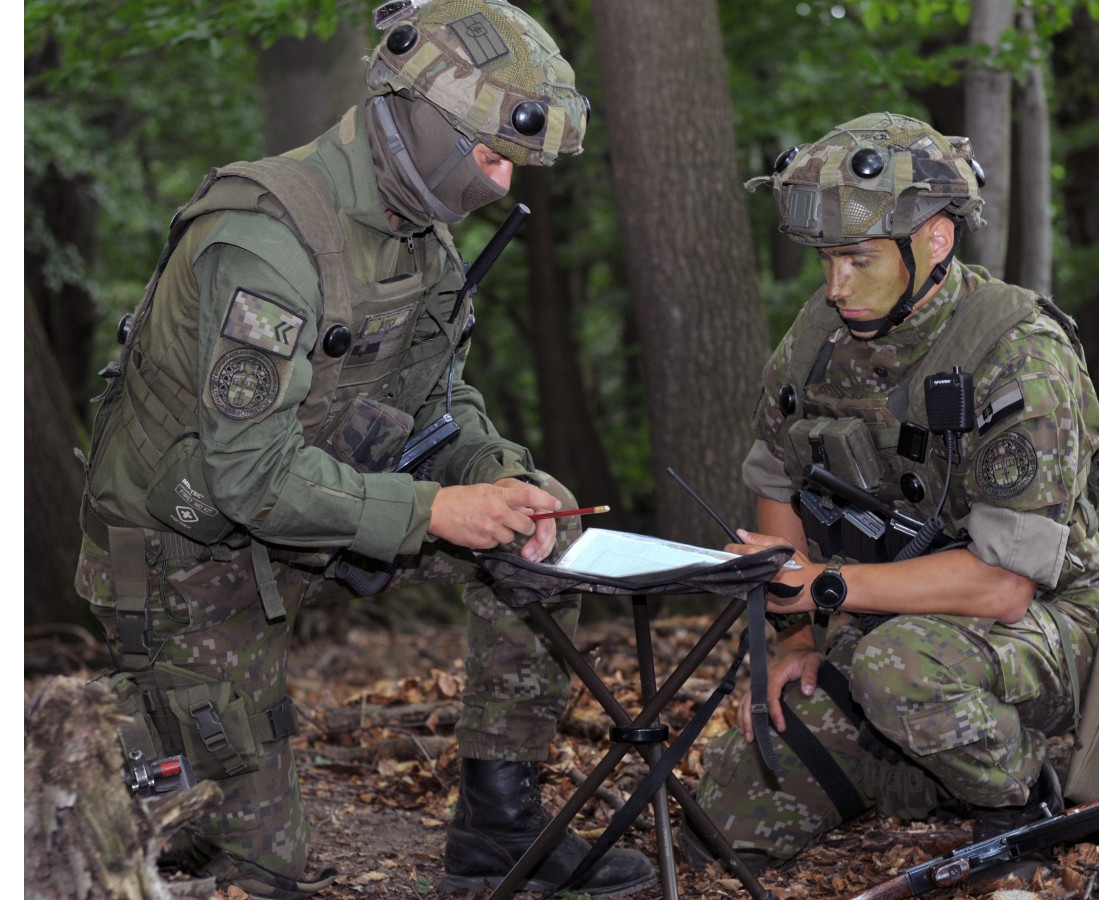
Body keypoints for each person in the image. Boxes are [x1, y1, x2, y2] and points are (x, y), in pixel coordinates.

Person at [73, 2, 654, 897]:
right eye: (491, 157)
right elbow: (247, 476)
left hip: (329, 497)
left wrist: (494, 477)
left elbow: (437, 402)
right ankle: (100, 758)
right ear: (423, 123)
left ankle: (498, 826)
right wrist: (432, 511)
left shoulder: (421, 238)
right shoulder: (267, 240)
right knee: (256, 867)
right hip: (189, 550)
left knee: (548, 540)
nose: (501, 186)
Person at [690, 112, 1099, 879]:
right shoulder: (814, 343)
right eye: (828, 260)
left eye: (859, 259)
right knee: (728, 818)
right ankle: (921, 765)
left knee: (898, 670)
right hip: (883, 630)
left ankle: (1019, 795)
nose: (837, 285)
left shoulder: (1018, 353)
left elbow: (1002, 585)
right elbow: (776, 484)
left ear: (935, 239)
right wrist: (796, 641)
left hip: (1049, 628)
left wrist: (824, 589)